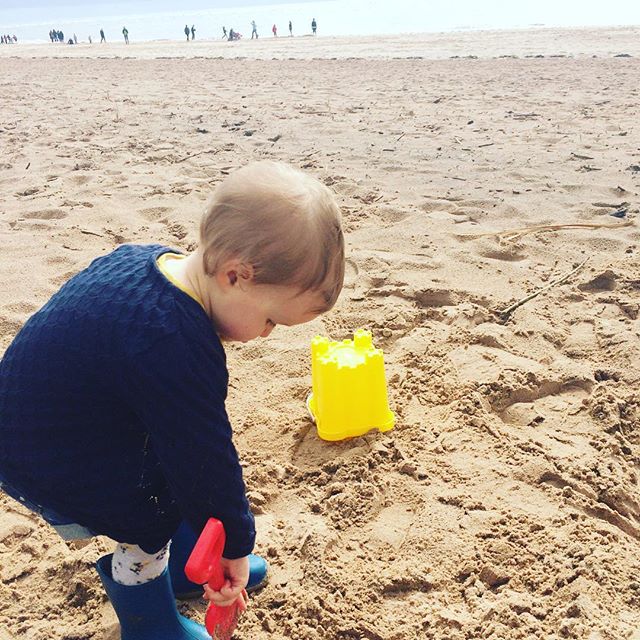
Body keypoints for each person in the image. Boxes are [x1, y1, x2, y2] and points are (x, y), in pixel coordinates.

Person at [0, 161, 345, 638]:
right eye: (270, 320)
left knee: (167, 465)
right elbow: (204, 458)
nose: (265, 335)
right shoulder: (175, 345)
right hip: (48, 452)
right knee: (148, 510)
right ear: (235, 275)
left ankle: (187, 561)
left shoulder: (149, 261)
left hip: (46, 413)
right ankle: (150, 623)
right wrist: (234, 545)